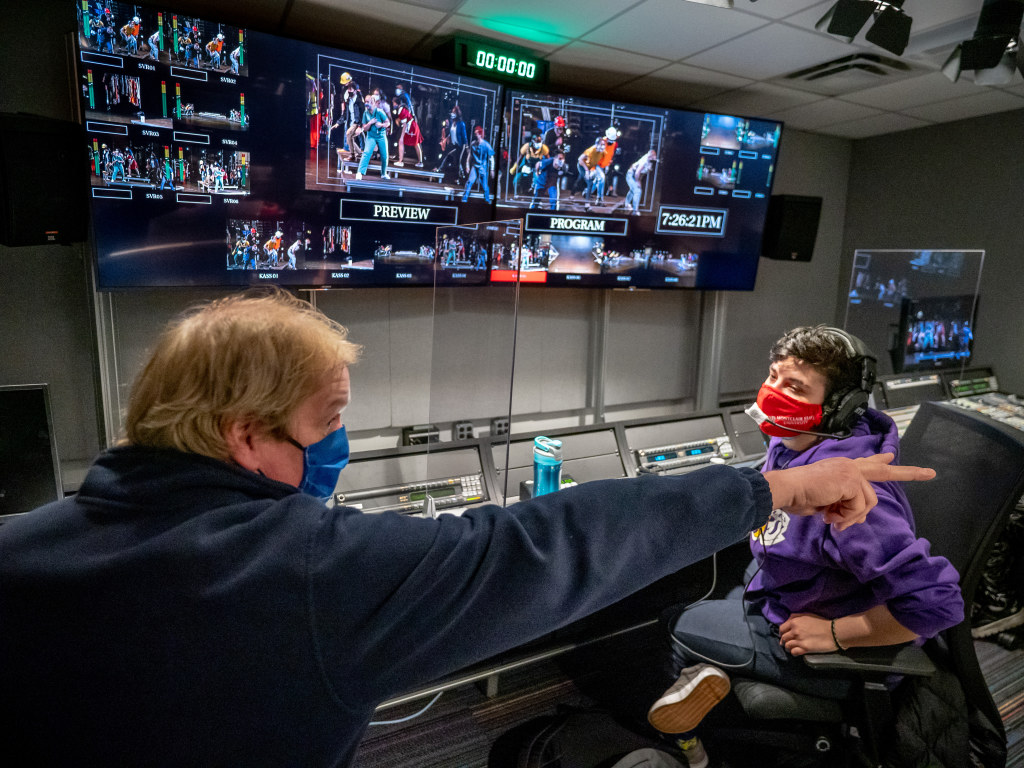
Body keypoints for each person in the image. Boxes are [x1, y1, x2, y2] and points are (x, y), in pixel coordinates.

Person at [0, 293, 936, 766]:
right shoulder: (309, 573)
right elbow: (542, 544)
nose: (335, 450)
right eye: (326, 426)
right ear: (246, 438)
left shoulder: (21, 544)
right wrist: (769, 490)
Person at [645, 325, 963, 768]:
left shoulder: (856, 502)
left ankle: (692, 752)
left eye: (794, 386)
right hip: (781, 593)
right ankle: (714, 678)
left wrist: (834, 634)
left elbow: (937, 604)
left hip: (826, 649)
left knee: (676, 622)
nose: (774, 392)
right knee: (711, 595)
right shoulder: (792, 437)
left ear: (838, 407)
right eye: (774, 376)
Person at [355, 92, 390, 180]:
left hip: (381, 136)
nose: (366, 104)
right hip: (371, 136)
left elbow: (388, 123)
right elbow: (365, 128)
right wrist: (370, 123)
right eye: (366, 102)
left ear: (373, 103)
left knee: (384, 155)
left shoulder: (380, 112)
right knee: (366, 153)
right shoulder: (365, 113)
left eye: (369, 102)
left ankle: (383, 173)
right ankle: (360, 172)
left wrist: (381, 125)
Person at [462, 125, 494, 203]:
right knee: (470, 182)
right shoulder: (473, 144)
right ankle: (465, 198)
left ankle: (487, 199)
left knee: (485, 185)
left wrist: (492, 169)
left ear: (480, 134)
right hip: (475, 166)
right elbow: (470, 155)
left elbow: (491, 158)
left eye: (477, 133)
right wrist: (467, 165)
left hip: (483, 167)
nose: (475, 134)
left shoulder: (486, 145)